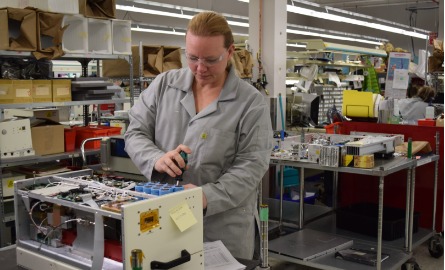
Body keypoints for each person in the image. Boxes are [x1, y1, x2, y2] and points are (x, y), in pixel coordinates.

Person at [124, 11, 273, 260]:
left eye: (211, 60)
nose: (200, 68)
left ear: (230, 52)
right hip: (163, 220)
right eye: (192, 58)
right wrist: (155, 159)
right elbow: (135, 132)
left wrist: (206, 196)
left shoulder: (251, 103)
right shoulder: (163, 86)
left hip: (222, 229)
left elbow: (252, 165)